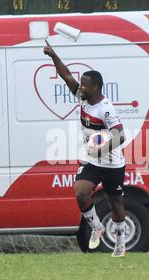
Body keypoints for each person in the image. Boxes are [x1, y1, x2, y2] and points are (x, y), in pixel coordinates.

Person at [43, 40, 127, 257]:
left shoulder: (105, 109)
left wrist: (102, 149)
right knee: (80, 193)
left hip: (112, 162)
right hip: (92, 159)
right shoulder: (83, 98)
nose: (81, 86)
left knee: (114, 202)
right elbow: (66, 76)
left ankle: (119, 243)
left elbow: (121, 135)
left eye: (85, 84)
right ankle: (97, 227)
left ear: (96, 87)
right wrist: (53, 56)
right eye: (81, 83)